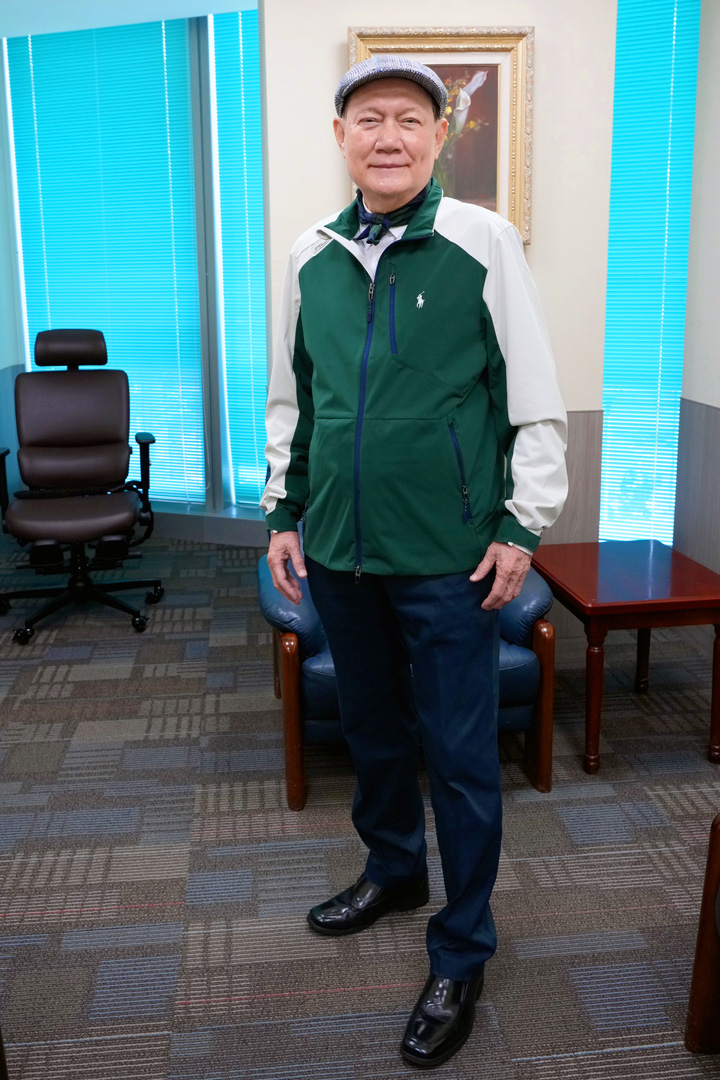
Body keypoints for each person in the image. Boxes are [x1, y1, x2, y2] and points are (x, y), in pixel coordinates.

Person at [261, 55, 568, 1070]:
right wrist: (284, 509)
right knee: (373, 731)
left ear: (439, 137)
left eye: (408, 119)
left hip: (449, 559)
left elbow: (533, 396)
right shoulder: (309, 253)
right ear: (340, 137)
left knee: (462, 756)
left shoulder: (483, 241)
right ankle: (394, 868)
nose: (387, 135)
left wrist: (522, 528)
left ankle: (462, 949)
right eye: (369, 118)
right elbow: (296, 400)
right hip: (339, 551)